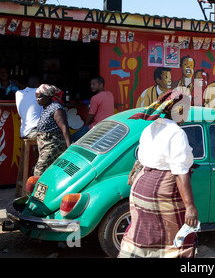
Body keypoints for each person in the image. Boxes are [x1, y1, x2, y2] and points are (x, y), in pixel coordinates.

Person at [119, 90, 198, 258]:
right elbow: (179, 173)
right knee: (178, 240)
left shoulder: (150, 128)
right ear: (179, 110)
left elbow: (141, 157)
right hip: (162, 192)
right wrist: (190, 206)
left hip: (140, 189)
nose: (188, 114)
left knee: (143, 234)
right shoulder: (176, 133)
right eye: (187, 109)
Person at [34, 84, 72, 176]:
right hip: (45, 145)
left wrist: (69, 148)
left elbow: (65, 129)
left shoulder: (56, 109)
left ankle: (35, 190)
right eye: (36, 97)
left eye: (40, 97)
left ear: (48, 96)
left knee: (39, 171)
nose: (37, 100)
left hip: (53, 145)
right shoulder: (47, 108)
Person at [71, 76, 114, 141]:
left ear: (101, 85)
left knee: (72, 138)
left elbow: (91, 115)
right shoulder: (110, 94)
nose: (91, 86)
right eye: (91, 84)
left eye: (94, 84)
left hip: (97, 126)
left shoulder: (95, 98)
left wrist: (85, 126)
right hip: (108, 125)